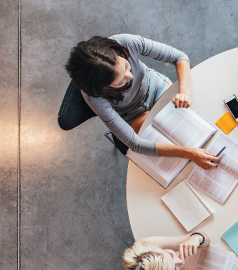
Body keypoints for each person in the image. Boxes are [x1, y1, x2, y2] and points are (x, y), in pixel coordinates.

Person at [65, 34, 219, 169]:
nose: (130, 77)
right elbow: (135, 143)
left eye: (127, 66)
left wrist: (184, 92)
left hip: (157, 88)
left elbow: (179, 57)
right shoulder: (94, 96)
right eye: (120, 82)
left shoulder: (125, 42)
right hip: (131, 115)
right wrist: (188, 153)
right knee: (173, 145)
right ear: (102, 88)